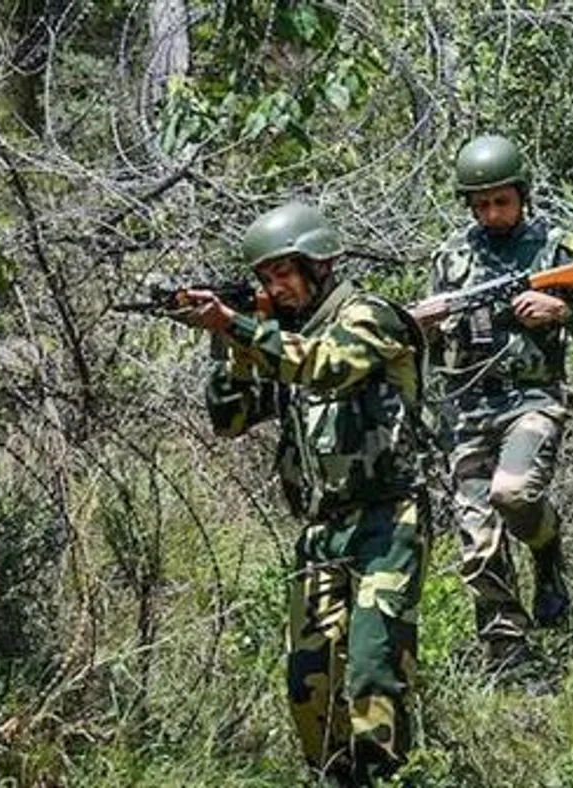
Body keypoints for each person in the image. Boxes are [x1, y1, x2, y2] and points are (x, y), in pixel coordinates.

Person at [175, 202, 428, 785]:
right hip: (320, 532)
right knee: (308, 684)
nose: (275, 288)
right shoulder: (276, 337)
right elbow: (230, 419)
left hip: (388, 522)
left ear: (321, 263)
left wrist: (237, 326)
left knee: (373, 674)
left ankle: (388, 778)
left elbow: (327, 367)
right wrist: (233, 344)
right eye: (265, 279)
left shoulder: (370, 317)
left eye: (283, 273)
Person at [419, 134, 573, 673]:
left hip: (533, 401)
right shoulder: (452, 258)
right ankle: (509, 655)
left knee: (512, 495)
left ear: (522, 195)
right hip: (467, 412)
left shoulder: (560, 248)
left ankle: (545, 548)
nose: (491, 213)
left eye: (501, 202)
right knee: (476, 541)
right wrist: (428, 328)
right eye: (480, 204)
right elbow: (431, 348)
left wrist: (563, 314)